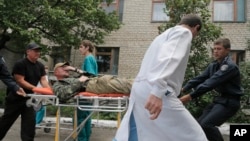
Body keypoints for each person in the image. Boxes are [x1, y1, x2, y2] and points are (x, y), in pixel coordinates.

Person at [113, 14, 207, 141]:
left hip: (140, 89)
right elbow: (169, 58)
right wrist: (157, 91)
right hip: (158, 90)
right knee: (194, 135)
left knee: (140, 131)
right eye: (197, 33)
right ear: (196, 27)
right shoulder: (184, 32)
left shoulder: (163, 35)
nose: (194, 36)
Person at [180, 38, 243, 141]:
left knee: (207, 125)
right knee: (199, 125)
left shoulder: (229, 67)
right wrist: (183, 89)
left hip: (230, 102)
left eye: (219, 49)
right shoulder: (214, 65)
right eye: (214, 49)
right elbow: (200, 78)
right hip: (220, 100)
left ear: (227, 50)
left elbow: (210, 83)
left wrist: (190, 96)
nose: (216, 51)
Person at [0, 42, 50, 141]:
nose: (38, 53)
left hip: (29, 99)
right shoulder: (20, 64)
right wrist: (35, 89)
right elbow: (20, 80)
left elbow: (43, 80)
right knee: (5, 123)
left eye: (39, 51)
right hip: (16, 98)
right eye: (35, 51)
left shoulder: (40, 66)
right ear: (28, 52)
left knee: (30, 125)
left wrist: (49, 91)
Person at [52, 62, 132, 103]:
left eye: (66, 67)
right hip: (93, 86)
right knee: (128, 85)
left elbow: (92, 75)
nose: (66, 69)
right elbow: (63, 94)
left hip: (98, 81)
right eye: (63, 67)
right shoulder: (57, 84)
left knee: (129, 81)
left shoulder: (72, 78)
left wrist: (75, 69)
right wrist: (79, 81)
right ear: (56, 72)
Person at [77, 39, 98, 141]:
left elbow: (89, 74)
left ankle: (82, 139)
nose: (79, 49)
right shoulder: (92, 58)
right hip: (90, 90)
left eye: (81, 47)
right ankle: (86, 138)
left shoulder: (88, 59)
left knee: (81, 117)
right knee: (87, 116)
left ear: (87, 48)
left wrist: (77, 81)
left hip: (86, 90)